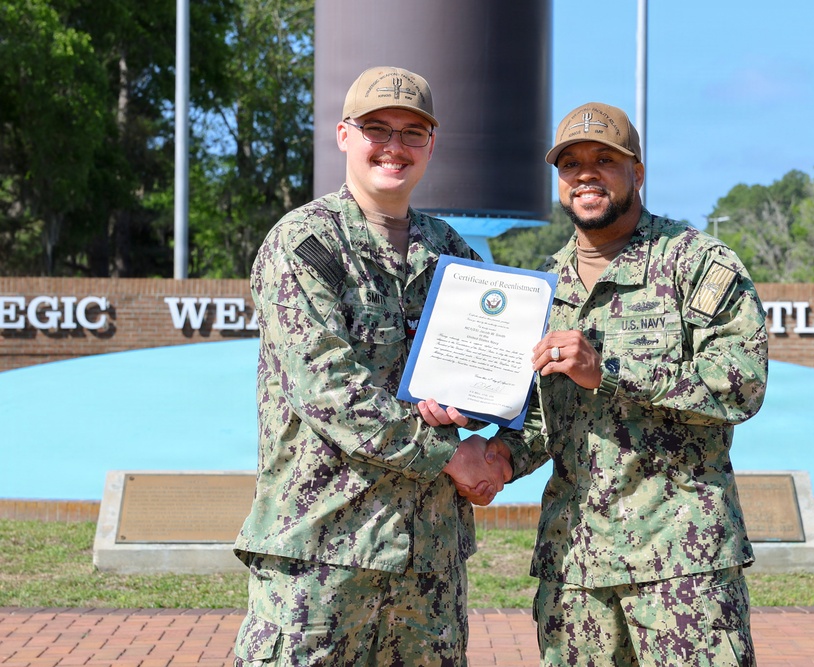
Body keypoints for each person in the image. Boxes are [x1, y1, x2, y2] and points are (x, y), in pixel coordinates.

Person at [232, 66, 512, 667]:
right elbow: (329, 388)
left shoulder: (452, 252)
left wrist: (498, 447)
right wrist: (453, 455)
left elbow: (498, 367)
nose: (394, 146)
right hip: (323, 555)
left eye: (413, 132)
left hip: (427, 560)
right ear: (343, 136)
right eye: (377, 129)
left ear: (431, 145)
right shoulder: (304, 244)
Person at [495, 103, 768, 667]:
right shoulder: (544, 287)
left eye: (605, 160)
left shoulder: (695, 262)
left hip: (680, 563)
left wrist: (609, 369)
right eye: (571, 164)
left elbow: (742, 385)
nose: (586, 174)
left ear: (637, 173)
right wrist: (491, 458)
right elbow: (542, 421)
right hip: (576, 567)